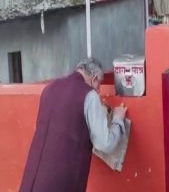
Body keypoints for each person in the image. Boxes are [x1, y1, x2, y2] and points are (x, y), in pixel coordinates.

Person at [19, 58, 127, 192]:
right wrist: (117, 119)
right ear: (94, 78)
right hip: (60, 183)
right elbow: (105, 144)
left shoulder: (49, 89)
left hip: (31, 181)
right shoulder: (89, 95)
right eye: (99, 85)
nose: (99, 90)